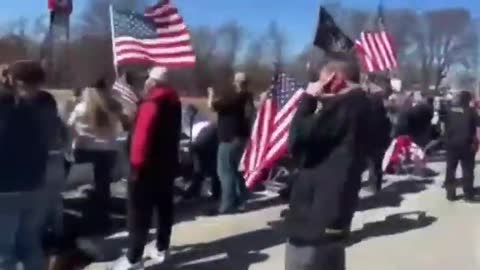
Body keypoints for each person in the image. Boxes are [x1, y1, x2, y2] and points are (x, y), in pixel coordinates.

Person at [286, 54, 371, 270]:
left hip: (316, 215)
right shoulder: (365, 106)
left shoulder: (345, 108)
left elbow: (297, 138)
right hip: (338, 207)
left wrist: (308, 99)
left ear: (335, 78)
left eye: (322, 79)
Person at [112, 67, 181, 270]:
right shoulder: (174, 103)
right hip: (166, 165)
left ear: (152, 83)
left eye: (147, 81)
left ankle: (133, 258)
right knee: (164, 209)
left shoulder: (152, 104)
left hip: (146, 169)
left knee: (138, 214)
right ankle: (161, 247)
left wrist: (136, 168)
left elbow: (141, 140)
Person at [0, 60, 59, 270]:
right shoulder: (47, 103)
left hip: (5, 187)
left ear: (14, 80)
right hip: (36, 182)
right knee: (29, 243)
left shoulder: (5, 104)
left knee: (3, 249)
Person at [67, 81, 123, 233]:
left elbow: (69, 128)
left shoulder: (81, 108)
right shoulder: (114, 107)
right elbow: (119, 130)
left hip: (85, 150)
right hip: (109, 150)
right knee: (103, 186)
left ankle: (88, 219)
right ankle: (104, 219)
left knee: (87, 185)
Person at [206, 72, 254, 215]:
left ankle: (227, 205)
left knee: (225, 172)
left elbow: (212, 106)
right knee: (235, 171)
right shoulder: (248, 98)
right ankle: (241, 200)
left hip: (229, 139)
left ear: (237, 82)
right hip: (242, 138)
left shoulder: (235, 98)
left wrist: (211, 94)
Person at [444, 91, 479, 202]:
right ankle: (468, 195)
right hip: (467, 144)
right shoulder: (472, 111)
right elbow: (478, 129)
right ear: (468, 100)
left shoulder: (449, 110)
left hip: (451, 144)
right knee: (468, 169)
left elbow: (443, 126)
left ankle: (450, 194)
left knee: (450, 169)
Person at [182, 104, 221, 200]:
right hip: (214, 130)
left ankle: (191, 192)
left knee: (199, 168)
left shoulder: (182, 116)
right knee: (214, 165)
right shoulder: (199, 114)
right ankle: (216, 193)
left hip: (203, 136)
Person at [365, 87, 391, 193]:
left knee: (372, 165)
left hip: (371, 142)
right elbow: (388, 129)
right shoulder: (384, 117)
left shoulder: (369, 117)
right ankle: (376, 185)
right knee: (377, 164)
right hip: (381, 143)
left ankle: (373, 186)